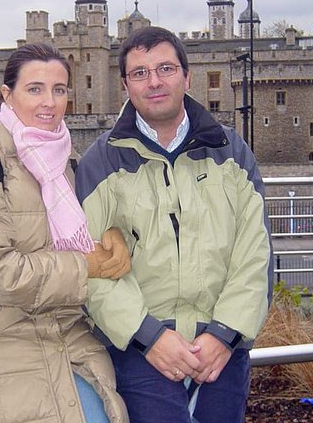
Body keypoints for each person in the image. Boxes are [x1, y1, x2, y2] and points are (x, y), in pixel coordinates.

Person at [75, 27, 273, 423]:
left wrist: (224, 334)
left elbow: (255, 254)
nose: (155, 82)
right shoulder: (100, 161)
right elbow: (90, 265)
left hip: (222, 347)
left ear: (187, 77)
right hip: (140, 349)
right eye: (141, 73)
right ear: (125, 85)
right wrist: (150, 338)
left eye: (165, 68)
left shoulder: (231, 151)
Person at [0, 43, 130, 423]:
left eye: (59, 90)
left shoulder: (68, 165)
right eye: (35, 89)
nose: (50, 102)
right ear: (7, 95)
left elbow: (98, 228)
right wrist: (84, 265)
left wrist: (115, 236)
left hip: (64, 330)